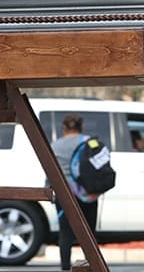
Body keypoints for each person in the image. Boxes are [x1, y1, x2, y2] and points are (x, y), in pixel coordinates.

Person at [50, 113, 98, 271]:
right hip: (88, 194)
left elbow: (50, 172)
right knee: (89, 234)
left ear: (64, 127)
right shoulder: (89, 142)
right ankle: (91, 265)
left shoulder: (56, 145)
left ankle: (65, 268)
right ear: (81, 127)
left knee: (65, 234)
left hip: (65, 196)